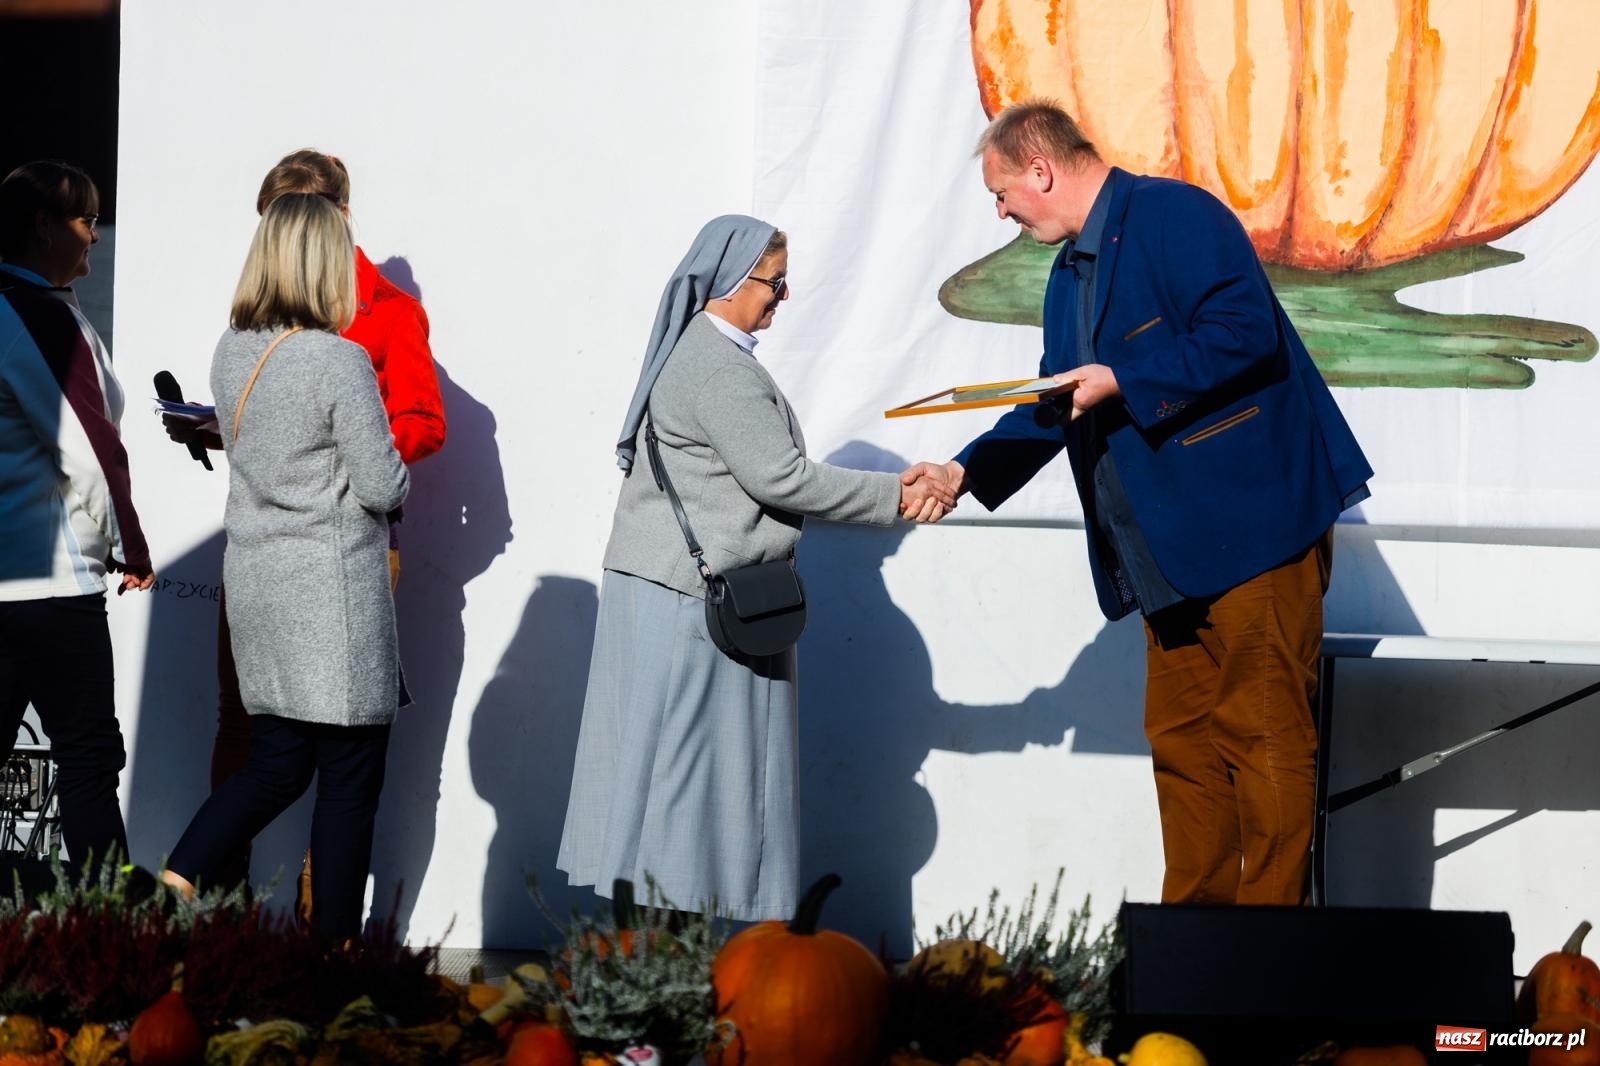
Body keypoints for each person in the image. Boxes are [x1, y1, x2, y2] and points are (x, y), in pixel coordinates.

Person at [906, 101, 1373, 906]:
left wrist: (1124, 380)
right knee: (1183, 743)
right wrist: (962, 472)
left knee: (1263, 734)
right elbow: (1055, 400)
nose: (1001, 212)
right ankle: (1189, 949)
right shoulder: (1068, 278)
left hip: (1253, 530)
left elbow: (1244, 331)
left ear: (1040, 171)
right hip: (1163, 555)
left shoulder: (1174, 215)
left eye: (1001, 193)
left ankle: (1266, 957)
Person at [558, 215, 954, 920]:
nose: (783, 295)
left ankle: (654, 960)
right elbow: (782, 478)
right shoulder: (718, 367)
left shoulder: (704, 354)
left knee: (660, 780)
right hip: (689, 603)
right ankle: (666, 959)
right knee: (682, 784)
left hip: (676, 592)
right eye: (775, 281)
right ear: (733, 281)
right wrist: (895, 495)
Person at [165, 150, 445, 908]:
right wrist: (361, 459)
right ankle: (327, 955)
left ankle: (178, 881)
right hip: (332, 580)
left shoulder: (234, 348)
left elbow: (404, 427)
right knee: (347, 776)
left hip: (259, 571)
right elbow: (383, 482)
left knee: (276, 762)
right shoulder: (339, 357)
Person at [0, 161, 155, 873]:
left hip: (19, 581)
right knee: (89, 759)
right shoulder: (36, 315)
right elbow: (89, 448)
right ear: (42, 226)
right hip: (52, 587)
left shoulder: (27, 309)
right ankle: (113, 927)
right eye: (84, 219)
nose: (95, 233)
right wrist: (132, 543)